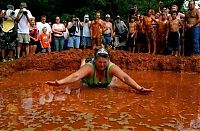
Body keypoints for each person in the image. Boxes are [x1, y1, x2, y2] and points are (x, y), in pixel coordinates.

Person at [46, 48, 153, 93]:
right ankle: (83, 60)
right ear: (95, 60)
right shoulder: (91, 67)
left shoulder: (111, 67)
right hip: (87, 82)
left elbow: (125, 77)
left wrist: (139, 88)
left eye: (104, 62)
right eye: (99, 62)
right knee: (81, 72)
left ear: (108, 61)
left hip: (102, 82)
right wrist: (60, 82)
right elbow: (76, 76)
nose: (102, 65)